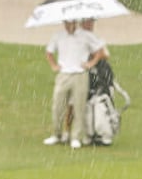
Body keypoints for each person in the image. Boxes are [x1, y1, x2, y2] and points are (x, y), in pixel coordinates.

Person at [44, 20, 107, 149]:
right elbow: (49, 52)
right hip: (64, 75)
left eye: (71, 23)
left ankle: (75, 137)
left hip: (80, 74)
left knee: (79, 107)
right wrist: (54, 66)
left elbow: (100, 51)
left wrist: (90, 64)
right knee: (58, 106)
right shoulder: (58, 36)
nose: (69, 26)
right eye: (67, 23)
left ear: (76, 23)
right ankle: (56, 135)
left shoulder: (85, 35)